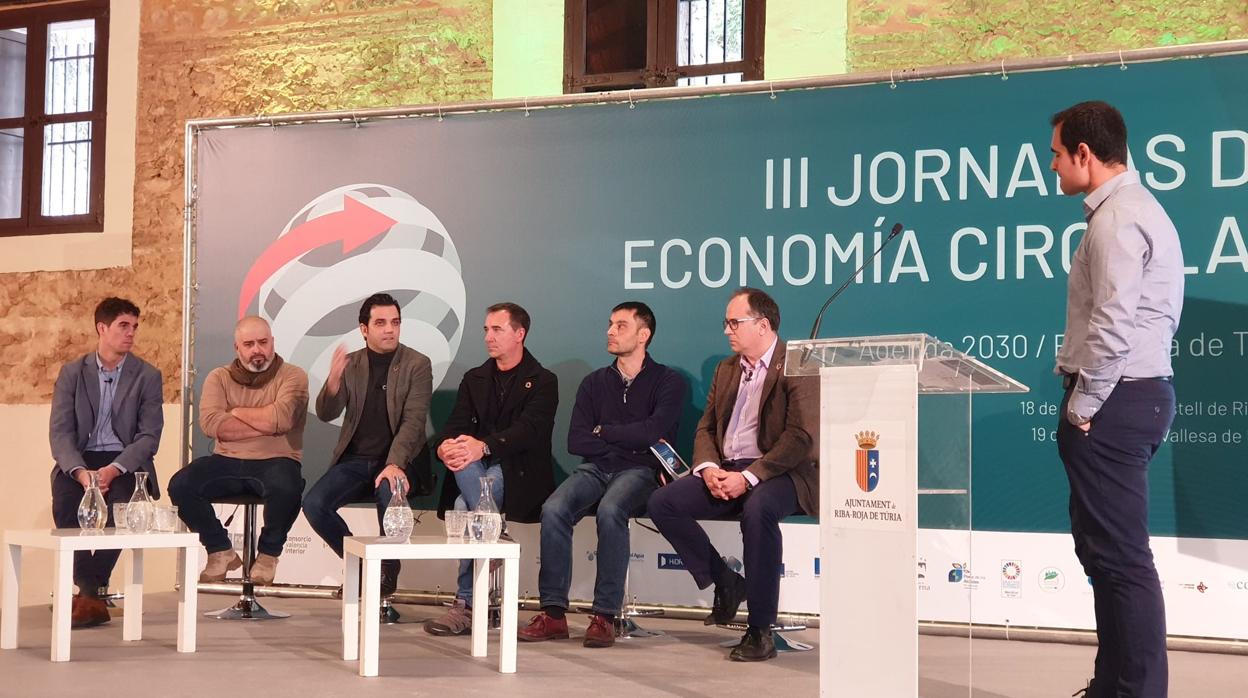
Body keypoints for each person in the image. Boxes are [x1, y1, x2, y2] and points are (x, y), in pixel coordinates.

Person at [1050, 101, 1183, 698]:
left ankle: (1136, 691)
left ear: (1085, 153)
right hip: (1129, 397)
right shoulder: (1130, 211)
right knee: (1106, 555)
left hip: (1115, 400)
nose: (1052, 166)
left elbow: (1113, 324)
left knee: (1122, 560)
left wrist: (1083, 405)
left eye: (1056, 154)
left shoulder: (1118, 218)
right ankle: (1114, 686)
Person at [647, 287, 817, 662]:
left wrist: (750, 477)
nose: (727, 330)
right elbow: (706, 428)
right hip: (729, 469)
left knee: (758, 509)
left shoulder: (798, 362)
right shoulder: (727, 369)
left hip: (783, 472)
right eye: (726, 323)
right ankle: (725, 580)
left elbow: (800, 437)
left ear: (763, 324)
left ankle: (760, 630)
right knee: (664, 501)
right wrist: (708, 469)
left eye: (734, 322)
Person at [518, 302, 686, 648]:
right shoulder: (594, 383)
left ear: (644, 335)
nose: (610, 331)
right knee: (554, 509)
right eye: (610, 324)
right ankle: (553, 614)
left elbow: (654, 433)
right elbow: (576, 440)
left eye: (621, 326)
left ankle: (604, 615)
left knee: (611, 510)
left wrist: (605, 431)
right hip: (595, 467)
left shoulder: (668, 381)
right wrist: (626, 436)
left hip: (641, 470)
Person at [424, 302, 558, 637]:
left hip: (520, 471)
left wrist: (481, 446)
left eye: (497, 329)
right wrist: (445, 446)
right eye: (486, 329)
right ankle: (493, 533)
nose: (488, 337)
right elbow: (453, 425)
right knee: (466, 477)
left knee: (462, 505)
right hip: (477, 467)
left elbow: (529, 431)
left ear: (519, 334)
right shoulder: (475, 378)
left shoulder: (542, 380)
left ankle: (465, 606)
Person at [302, 293, 433, 601]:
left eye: (395, 322)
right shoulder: (354, 363)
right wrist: (333, 381)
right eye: (381, 323)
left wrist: (394, 463)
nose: (390, 329)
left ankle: (387, 572)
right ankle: (360, 567)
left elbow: (413, 423)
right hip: (355, 461)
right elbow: (326, 412)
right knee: (314, 504)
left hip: (401, 459)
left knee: (390, 492)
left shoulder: (417, 364)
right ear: (364, 329)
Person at [49, 297, 164, 628]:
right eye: (123, 326)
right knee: (67, 504)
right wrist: (82, 473)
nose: (131, 334)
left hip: (125, 461)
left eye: (134, 327)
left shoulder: (147, 375)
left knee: (123, 511)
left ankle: (86, 595)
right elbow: (60, 433)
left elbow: (149, 437)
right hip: (81, 460)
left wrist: (114, 470)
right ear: (102, 328)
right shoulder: (72, 373)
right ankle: (92, 593)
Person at [169, 316, 308, 585]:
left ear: (273, 343)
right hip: (226, 460)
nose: (257, 349)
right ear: (237, 348)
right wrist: (268, 424)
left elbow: (282, 419)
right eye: (249, 344)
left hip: (278, 460)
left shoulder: (294, 375)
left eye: (263, 342)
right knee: (181, 485)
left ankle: (268, 555)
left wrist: (236, 412)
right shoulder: (218, 378)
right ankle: (220, 551)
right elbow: (211, 425)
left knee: (288, 487)